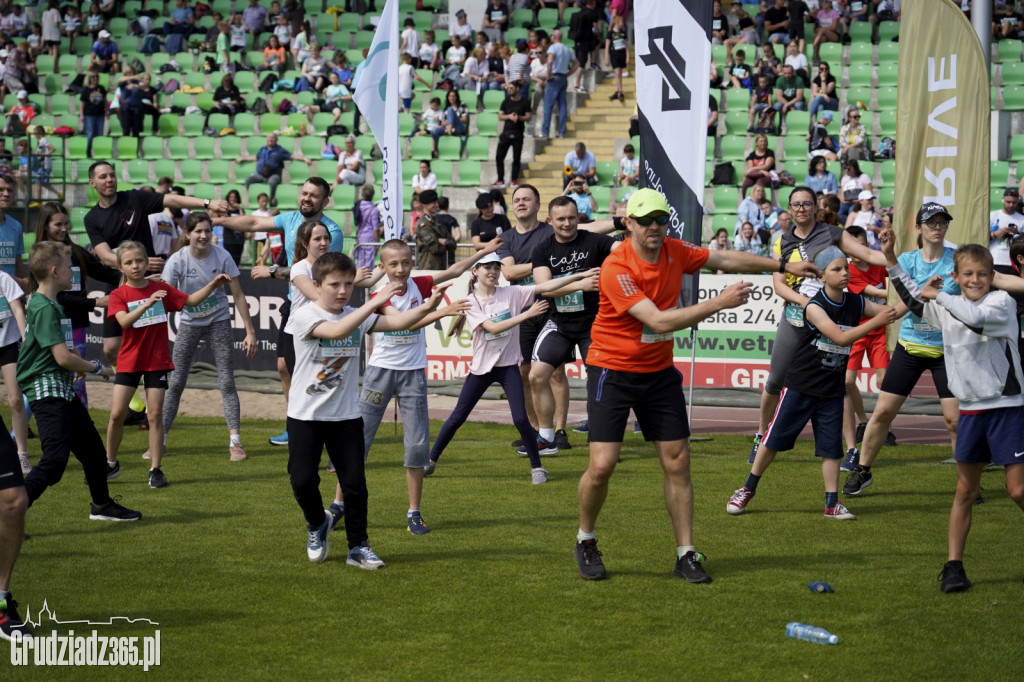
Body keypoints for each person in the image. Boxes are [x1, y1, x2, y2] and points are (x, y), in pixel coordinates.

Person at [573, 188, 821, 582]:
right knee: (602, 466)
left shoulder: (673, 248)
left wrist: (782, 262)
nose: (655, 227)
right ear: (629, 224)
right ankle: (586, 539)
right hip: (612, 371)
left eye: (661, 219)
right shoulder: (615, 265)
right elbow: (657, 321)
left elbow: (721, 256)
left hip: (658, 372)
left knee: (678, 464)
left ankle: (686, 553)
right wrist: (719, 302)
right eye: (646, 220)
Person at [880, 238, 1024, 592]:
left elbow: (974, 320)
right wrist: (890, 260)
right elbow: (915, 302)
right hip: (972, 411)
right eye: (968, 274)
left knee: (1018, 490)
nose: (975, 280)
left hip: (1008, 408)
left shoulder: (1002, 302)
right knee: (964, 491)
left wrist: (938, 295)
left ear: (992, 276)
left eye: (982, 274)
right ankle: (954, 566)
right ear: (957, 276)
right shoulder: (950, 304)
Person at [288, 253, 444, 565]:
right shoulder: (306, 316)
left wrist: (428, 307)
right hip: (306, 415)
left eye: (348, 283)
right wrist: (373, 303)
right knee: (302, 480)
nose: (343, 290)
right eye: (334, 284)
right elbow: (336, 332)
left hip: (346, 416)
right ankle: (317, 522)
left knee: (355, 484)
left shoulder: (355, 313)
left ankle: (358, 547)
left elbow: (396, 321)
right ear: (317, 285)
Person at [727, 246, 898, 520]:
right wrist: (877, 320)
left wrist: (919, 294)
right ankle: (747, 489)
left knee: (831, 448)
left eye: (846, 268)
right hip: (801, 385)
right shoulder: (814, 305)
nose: (845, 273)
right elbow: (841, 338)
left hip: (831, 390)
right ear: (822, 276)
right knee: (772, 441)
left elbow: (891, 311)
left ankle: (832, 504)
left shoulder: (856, 302)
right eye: (837, 269)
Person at [359, 239, 502, 533]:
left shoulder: (420, 282)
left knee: (416, 446)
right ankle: (339, 506)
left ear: (413, 262)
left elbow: (454, 270)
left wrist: (483, 253)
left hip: (413, 374)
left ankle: (414, 512)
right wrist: (437, 310)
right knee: (358, 443)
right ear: (382, 267)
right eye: (393, 264)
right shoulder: (378, 294)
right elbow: (403, 323)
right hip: (379, 373)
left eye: (406, 262)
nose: (401, 270)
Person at [749, 185, 891, 467]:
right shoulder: (781, 241)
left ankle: (851, 448)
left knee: (835, 384)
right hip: (796, 317)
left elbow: (871, 256)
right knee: (776, 380)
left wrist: (897, 256)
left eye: (806, 204)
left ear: (816, 207)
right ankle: (761, 434)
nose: (801, 209)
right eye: (796, 205)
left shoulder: (833, 234)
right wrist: (804, 302)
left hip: (832, 315)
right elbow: (778, 284)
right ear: (789, 210)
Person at [427, 253, 598, 482]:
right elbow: (492, 328)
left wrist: (579, 275)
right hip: (482, 370)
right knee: (457, 417)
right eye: (487, 267)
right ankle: (431, 460)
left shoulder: (511, 293)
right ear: (475, 271)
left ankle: (537, 467)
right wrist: (526, 315)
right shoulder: (471, 302)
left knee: (520, 420)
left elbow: (547, 285)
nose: (493, 272)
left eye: (496, 267)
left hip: (508, 368)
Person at [213, 177, 346, 446]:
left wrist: (273, 271)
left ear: (325, 201)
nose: (307, 198)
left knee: (311, 374)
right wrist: (216, 222)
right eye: (304, 192)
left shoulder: (332, 232)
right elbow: (251, 223)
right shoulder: (291, 218)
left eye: (314, 195)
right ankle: (293, 424)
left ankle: (315, 429)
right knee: (283, 367)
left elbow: (318, 274)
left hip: (317, 310)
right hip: (294, 306)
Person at [842, 203, 963, 496]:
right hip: (910, 346)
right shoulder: (907, 260)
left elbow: (924, 304)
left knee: (954, 420)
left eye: (942, 222)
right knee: (882, 413)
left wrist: (911, 292)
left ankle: (967, 482)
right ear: (918, 228)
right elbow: (910, 299)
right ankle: (863, 470)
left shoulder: (956, 261)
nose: (937, 226)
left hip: (946, 349)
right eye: (930, 222)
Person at [18, 241, 141, 525]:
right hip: (46, 390)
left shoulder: (52, 304)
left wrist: (77, 364)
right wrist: (95, 367)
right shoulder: (44, 307)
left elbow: (64, 351)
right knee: (54, 461)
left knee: (94, 453)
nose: (73, 272)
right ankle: (12, 510)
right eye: (67, 267)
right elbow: (61, 358)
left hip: (59, 388)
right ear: (53, 271)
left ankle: (101, 505)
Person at [106, 241, 232, 487]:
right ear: (121, 266)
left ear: (146, 262)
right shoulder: (119, 294)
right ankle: (110, 464)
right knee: (116, 415)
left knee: (154, 415)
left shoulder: (160, 288)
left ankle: (155, 469)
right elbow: (124, 323)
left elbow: (191, 301)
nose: (135, 266)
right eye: (129, 262)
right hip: (129, 362)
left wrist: (212, 285)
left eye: (139, 261)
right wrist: (148, 303)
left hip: (156, 361)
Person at [161, 212, 257, 463]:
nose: (203, 236)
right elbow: (166, 299)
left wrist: (250, 331)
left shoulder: (222, 256)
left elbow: (238, 295)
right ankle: (160, 441)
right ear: (187, 234)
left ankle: (235, 443)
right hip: (189, 323)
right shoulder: (176, 260)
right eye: (198, 231)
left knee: (226, 381)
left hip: (219, 321)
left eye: (207, 231)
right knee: (177, 381)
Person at [526, 197, 617, 455]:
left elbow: (623, 252)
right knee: (537, 375)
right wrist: (580, 283)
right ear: (550, 221)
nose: (567, 223)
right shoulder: (542, 249)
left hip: (595, 325)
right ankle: (546, 438)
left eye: (571, 217)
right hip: (560, 324)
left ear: (579, 217)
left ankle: (602, 438)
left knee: (601, 380)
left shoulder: (595, 240)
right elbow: (544, 288)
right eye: (561, 219)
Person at [34, 202, 119, 410]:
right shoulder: (41, 257)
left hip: (76, 325)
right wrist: (96, 302)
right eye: (58, 224)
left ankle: (81, 425)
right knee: (46, 380)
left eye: (66, 224)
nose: (64, 229)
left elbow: (105, 273)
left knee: (77, 379)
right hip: (49, 326)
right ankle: (17, 434)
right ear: (45, 226)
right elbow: (57, 298)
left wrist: (137, 278)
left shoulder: (76, 252)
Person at [841, 224, 891, 471]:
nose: (859, 250)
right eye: (854, 246)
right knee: (848, 381)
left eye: (862, 245)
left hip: (880, 331)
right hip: (858, 331)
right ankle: (863, 421)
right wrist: (898, 292)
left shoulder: (879, 264)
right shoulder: (848, 272)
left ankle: (883, 425)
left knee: (885, 382)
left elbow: (893, 276)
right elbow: (876, 292)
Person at [241, 133, 309, 208]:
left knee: (272, 182)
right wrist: (243, 158)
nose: (270, 139)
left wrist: (304, 158)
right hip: (260, 175)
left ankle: (271, 201)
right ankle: (252, 199)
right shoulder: (262, 149)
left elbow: (291, 156)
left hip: (273, 175)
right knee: (248, 180)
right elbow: (255, 157)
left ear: (276, 140)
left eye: (273, 138)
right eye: (269, 137)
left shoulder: (280, 150)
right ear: (266, 139)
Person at [493, 81, 530, 190]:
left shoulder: (524, 102)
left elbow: (528, 117)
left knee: (516, 158)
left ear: (517, 89)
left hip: (518, 133)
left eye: (511, 88)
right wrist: (509, 116)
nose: (509, 90)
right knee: (499, 157)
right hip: (506, 133)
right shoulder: (505, 102)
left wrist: (519, 118)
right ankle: (500, 179)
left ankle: (514, 180)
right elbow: (500, 116)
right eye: (508, 88)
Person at [540, 29, 575, 139]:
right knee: (562, 106)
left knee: (548, 106)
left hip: (554, 77)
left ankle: (545, 132)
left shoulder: (553, 47)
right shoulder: (566, 49)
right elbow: (577, 63)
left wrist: (548, 76)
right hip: (563, 77)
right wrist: (568, 73)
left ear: (554, 37)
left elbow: (550, 61)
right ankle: (561, 132)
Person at [412, 189, 453, 270]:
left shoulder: (438, 223)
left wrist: (445, 242)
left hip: (441, 268)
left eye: (436, 202)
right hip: (428, 268)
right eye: (433, 203)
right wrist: (446, 243)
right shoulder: (423, 224)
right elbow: (434, 248)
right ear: (425, 205)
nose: (437, 205)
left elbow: (453, 244)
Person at [989, 187, 1024, 268]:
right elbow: (981, 237)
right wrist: (1000, 232)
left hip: (1013, 262)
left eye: (1014, 202)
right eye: (1008, 202)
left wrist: (1018, 235)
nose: (1011, 205)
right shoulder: (992, 215)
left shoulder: (1022, 219)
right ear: (1003, 199)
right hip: (995, 259)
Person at [352, 185, 380, 270]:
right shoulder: (374, 209)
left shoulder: (358, 206)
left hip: (360, 236)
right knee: (369, 262)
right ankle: (367, 281)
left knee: (360, 260)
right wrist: (377, 242)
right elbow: (375, 228)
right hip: (370, 237)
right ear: (372, 195)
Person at [741, 133, 775, 198]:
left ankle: (757, 202)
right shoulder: (752, 155)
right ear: (756, 143)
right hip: (755, 175)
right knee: (746, 184)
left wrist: (753, 169)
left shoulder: (770, 153)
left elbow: (766, 166)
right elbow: (750, 167)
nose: (763, 143)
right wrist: (762, 171)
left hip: (766, 177)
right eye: (761, 141)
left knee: (759, 184)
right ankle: (745, 201)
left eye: (765, 141)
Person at [605, 13, 629, 101]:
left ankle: (617, 90)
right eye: (621, 22)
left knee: (620, 74)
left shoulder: (623, 33)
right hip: (614, 55)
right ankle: (620, 91)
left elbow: (626, 45)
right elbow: (607, 46)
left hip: (622, 54)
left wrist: (628, 56)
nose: (623, 23)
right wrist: (606, 58)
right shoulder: (610, 33)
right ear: (617, 22)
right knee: (617, 73)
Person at [811, 0, 842, 64]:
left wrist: (823, 30)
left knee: (822, 30)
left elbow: (833, 27)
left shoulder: (834, 12)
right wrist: (819, 30)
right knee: (823, 38)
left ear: (830, 3)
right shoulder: (820, 13)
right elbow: (816, 28)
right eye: (822, 2)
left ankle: (813, 46)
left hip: (834, 35)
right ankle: (819, 57)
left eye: (826, 2)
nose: (823, 3)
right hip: (822, 35)